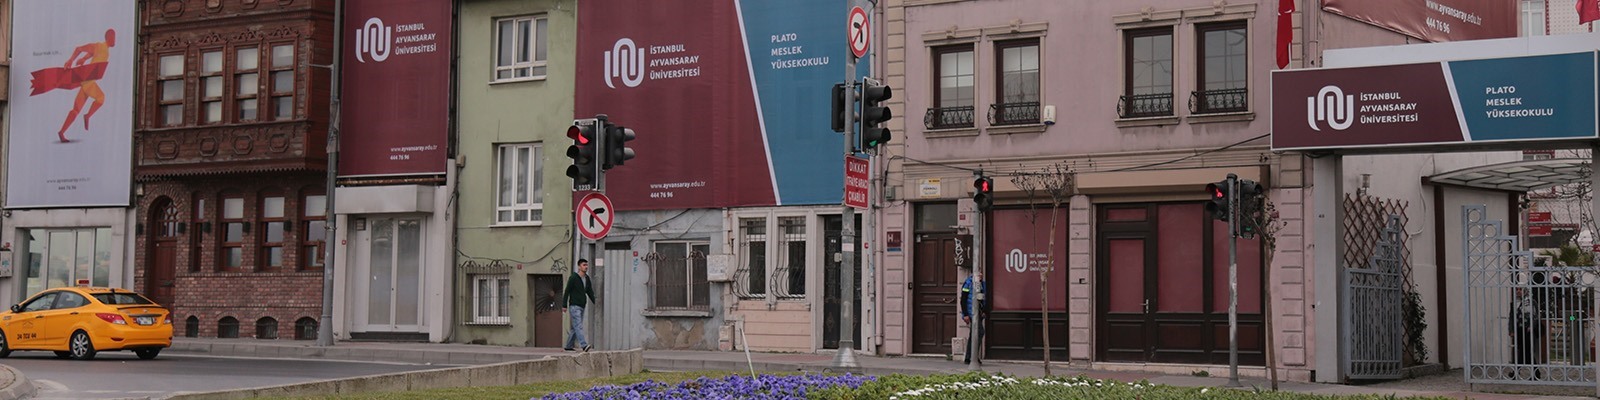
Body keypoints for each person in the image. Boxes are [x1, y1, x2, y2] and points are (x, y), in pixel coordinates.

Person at [29, 29, 116, 142]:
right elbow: (79, 49)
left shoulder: (104, 50)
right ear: (109, 37)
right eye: (114, 37)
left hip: (87, 82)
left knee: (75, 110)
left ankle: (61, 132)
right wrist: (70, 60)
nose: (115, 40)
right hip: (88, 81)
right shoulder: (99, 46)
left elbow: (90, 55)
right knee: (101, 98)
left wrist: (83, 59)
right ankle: (87, 116)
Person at [563, 259, 597, 352]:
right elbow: (567, 291)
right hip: (574, 305)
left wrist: (595, 303)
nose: (586, 267)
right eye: (584, 265)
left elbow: (589, 292)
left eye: (586, 265)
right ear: (579, 266)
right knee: (578, 325)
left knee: (575, 327)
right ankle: (584, 345)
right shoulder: (573, 277)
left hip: (582, 305)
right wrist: (564, 305)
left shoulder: (587, 278)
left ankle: (568, 345)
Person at [960, 269, 991, 365]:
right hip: (971, 313)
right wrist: (965, 314)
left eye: (981, 273)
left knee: (974, 334)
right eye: (978, 273)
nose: (980, 275)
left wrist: (984, 311)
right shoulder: (968, 283)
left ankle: (970, 357)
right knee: (979, 332)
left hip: (979, 313)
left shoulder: (983, 284)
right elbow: (963, 299)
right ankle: (972, 357)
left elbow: (984, 298)